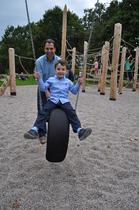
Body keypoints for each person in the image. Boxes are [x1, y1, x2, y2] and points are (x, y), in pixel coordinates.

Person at [25, 59, 92, 143]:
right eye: (58, 69)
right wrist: (39, 79)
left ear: (66, 71)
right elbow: (43, 88)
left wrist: (78, 84)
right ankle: (34, 129)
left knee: (72, 113)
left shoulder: (68, 82)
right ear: (55, 70)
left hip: (64, 101)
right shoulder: (51, 80)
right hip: (53, 100)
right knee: (43, 112)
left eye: (63, 69)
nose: (60, 71)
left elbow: (74, 91)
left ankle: (79, 131)